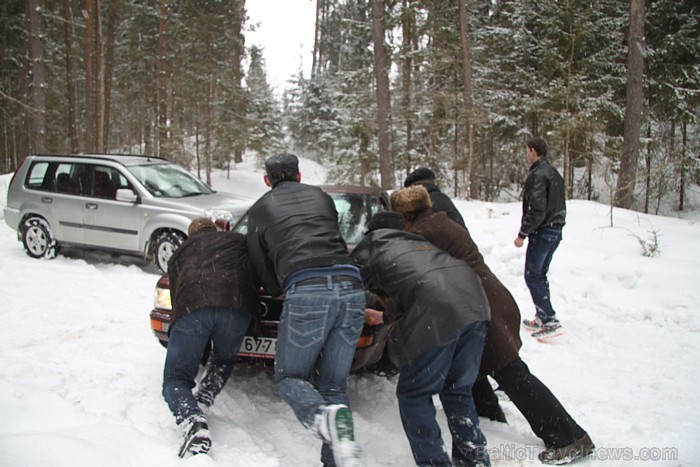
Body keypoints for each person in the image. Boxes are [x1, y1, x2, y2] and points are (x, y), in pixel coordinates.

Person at [392, 185, 594, 465]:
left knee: (512, 373)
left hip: (482, 305)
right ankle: (490, 416)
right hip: (486, 298)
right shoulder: (440, 221)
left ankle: (568, 436)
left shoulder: (423, 233)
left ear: (406, 215)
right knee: (471, 366)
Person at [246, 153, 366, 467]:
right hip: (351, 286)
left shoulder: (260, 208)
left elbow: (259, 263)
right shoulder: (322, 198)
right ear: (299, 176)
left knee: (289, 377)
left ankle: (319, 417)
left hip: (307, 289)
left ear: (267, 181)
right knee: (333, 385)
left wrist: (277, 290)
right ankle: (339, 459)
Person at [351, 211, 491, 467]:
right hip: (475, 304)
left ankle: (434, 463)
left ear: (370, 232)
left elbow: (347, 282)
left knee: (414, 394)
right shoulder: (421, 245)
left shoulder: (373, 244)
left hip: (438, 311)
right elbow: (420, 286)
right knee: (458, 391)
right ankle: (475, 461)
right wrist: (383, 316)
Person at [162, 217, 259, 458]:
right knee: (224, 358)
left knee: (176, 378)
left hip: (193, 307)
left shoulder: (182, 251)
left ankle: (192, 420)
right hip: (236, 308)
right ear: (215, 230)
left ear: (191, 235)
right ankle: (204, 399)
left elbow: (176, 294)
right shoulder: (238, 241)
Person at [514, 137, 567, 340]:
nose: (526, 154)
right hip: (555, 229)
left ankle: (550, 319)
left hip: (543, 231)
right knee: (540, 274)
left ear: (534, 151)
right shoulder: (553, 173)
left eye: (527, 150)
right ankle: (542, 314)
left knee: (533, 275)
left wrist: (522, 233)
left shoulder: (538, 175)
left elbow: (537, 208)